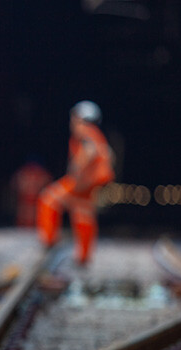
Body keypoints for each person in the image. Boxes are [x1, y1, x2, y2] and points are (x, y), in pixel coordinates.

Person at [37, 101, 114, 264]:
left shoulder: (85, 131)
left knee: (49, 199)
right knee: (83, 214)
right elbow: (108, 156)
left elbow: (90, 151)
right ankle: (84, 256)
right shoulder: (97, 135)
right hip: (89, 184)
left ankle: (49, 241)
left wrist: (76, 169)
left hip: (80, 182)